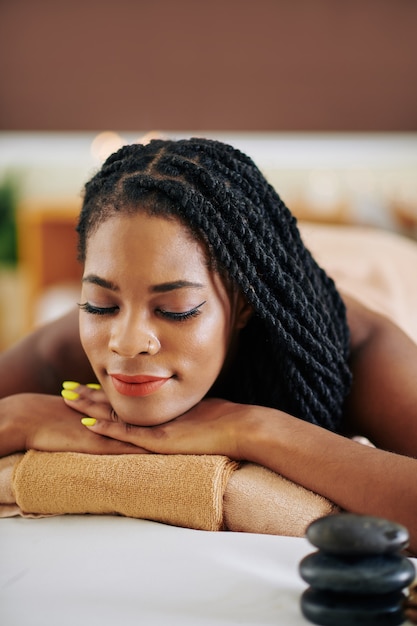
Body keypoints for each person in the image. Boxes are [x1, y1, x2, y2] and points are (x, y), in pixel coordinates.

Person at [1, 138, 417, 552]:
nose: (126, 343)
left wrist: (252, 429)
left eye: (175, 309)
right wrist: (20, 418)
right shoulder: (64, 347)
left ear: (242, 304)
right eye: (101, 304)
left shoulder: (357, 348)